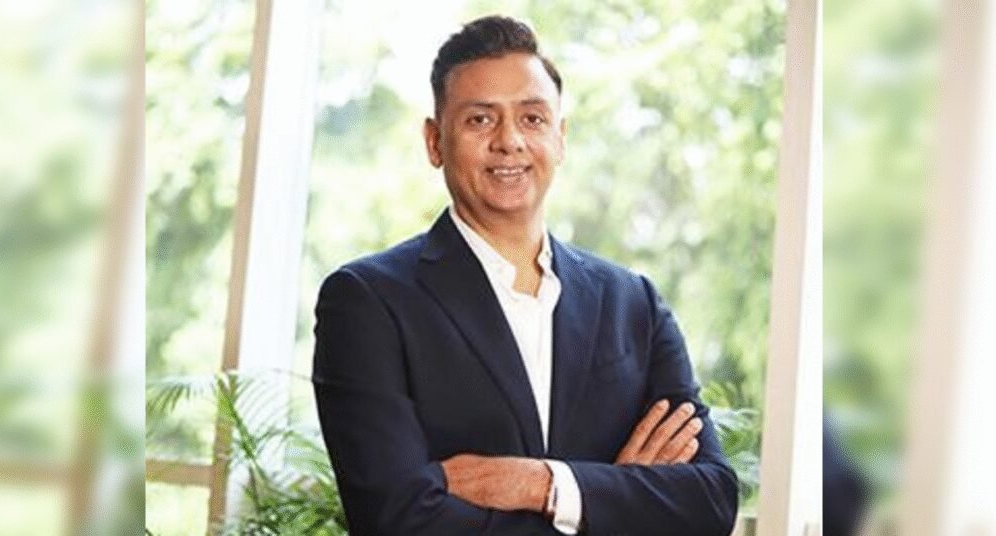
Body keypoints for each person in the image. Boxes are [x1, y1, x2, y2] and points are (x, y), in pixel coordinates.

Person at [312, 15, 738, 535]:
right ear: (434, 142)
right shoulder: (367, 302)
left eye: (533, 118)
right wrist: (611, 504)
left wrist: (543, 485)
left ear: (560, 138)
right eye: (480, 120)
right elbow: (397, 520)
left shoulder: (634, 304)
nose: (510, 140)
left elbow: (710, 502)